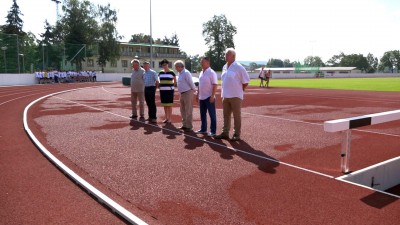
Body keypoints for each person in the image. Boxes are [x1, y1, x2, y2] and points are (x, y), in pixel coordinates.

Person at [215, 48, 250, 141]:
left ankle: (236, 134)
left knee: (236, 115)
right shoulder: (224, 67)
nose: (225, 56)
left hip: (235, 96)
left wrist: (240, 89)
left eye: (227, 54)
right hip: (225, 95)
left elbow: (246, 81)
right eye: (225, 54)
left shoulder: (239, 67)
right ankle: (225, 132)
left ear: (233, 56)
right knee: (226, 115)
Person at [196, 56, 218, 137]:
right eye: (201, 62)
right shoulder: (201, 72)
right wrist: (198, 94)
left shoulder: (212, 72)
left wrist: (212, 96)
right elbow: (200, 84)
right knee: (202, 114)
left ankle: (213, 131)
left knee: (212, 114)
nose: (201, 63)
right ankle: (203, 129)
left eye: (203, 62)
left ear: (208, 63)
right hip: (202, 97)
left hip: (209, 97)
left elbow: (215, 85)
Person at [175, 60, 197, 132]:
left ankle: (189, 126)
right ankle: (184, 124)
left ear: (180, 67)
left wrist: (194, 90)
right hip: (182, 93)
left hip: (188, 93)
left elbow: (191, 82)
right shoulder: (180, 73)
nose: (175, 68)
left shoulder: (186, 73)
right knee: (182, 110)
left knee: (188, 109)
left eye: (176, 67)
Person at [158, 59, 176, 124]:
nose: (164, 66)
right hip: (162, 91)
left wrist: (171, 87)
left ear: (168, 64)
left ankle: (170, 118)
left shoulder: (172, 72)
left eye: (165, 65)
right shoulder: (160, 72)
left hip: (169, 91)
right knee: (165, 105)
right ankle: (166, 118)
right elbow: (159, 81)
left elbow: (175, 81)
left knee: (169, 105)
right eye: (163, 65)